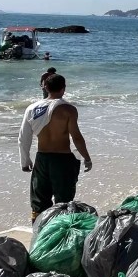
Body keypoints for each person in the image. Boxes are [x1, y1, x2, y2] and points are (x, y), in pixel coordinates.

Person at [18, 74, 92, 223]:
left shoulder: (32, 108)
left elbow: (23, 138)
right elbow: (76, 137)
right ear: (64, 88)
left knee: (39, 203)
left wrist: (25, 161)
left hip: (42, 160)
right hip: (62, 160)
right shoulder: (68, 109)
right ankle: (61, 235)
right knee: (64, 203)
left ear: (45, 87)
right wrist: (87, 158)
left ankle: (39, 234)